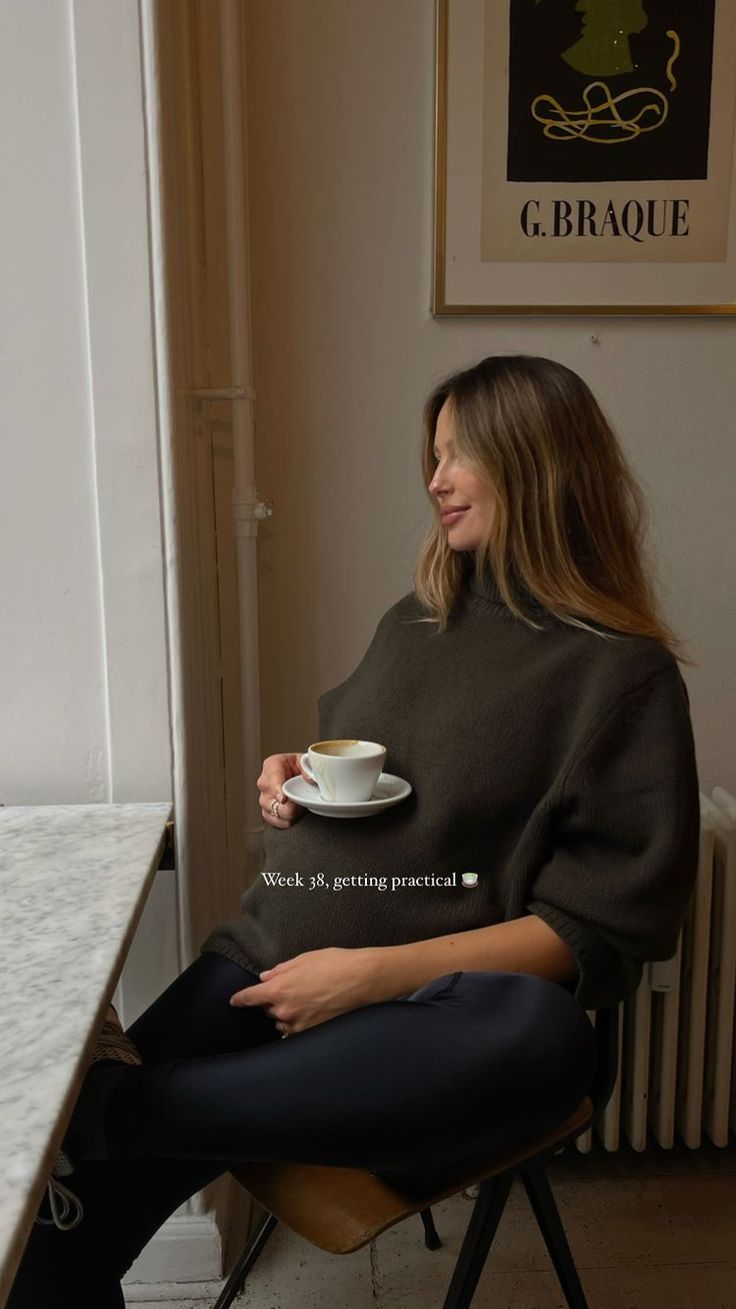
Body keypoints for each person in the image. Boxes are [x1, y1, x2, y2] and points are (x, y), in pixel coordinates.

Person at [9, 354, 700, 1307]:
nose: (435, 478)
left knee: (543, 1035)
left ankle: (124, 1109)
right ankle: (114, 1121)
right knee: (53, 1239)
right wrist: (291, 772)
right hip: (263, 963)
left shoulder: (620, 677)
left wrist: (367, 977)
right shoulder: (419, 620)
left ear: (537, 462)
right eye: (434, 454)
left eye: (459, 454)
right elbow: (395, 768)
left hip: (416, 1018)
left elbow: (598, 933)